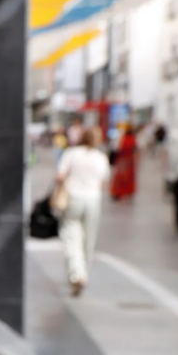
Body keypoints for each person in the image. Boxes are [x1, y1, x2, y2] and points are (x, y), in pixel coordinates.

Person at [56, 126, 111, 297]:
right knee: (89, 239)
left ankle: (76, 273)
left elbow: (60, 176)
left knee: (71, 236)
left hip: (73, 198)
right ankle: (84, 274)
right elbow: (103, 181)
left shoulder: (72, 153)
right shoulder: (101, 158)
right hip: (93, 200)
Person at [110, 123, 139, 200]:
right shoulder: (132, 138)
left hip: (123, 160)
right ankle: (125, 191)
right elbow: (134, 149)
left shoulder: (123, 138)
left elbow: (118, 148)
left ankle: (119, 192)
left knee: (121, 176)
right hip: (128, 160)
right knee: (126, 176)